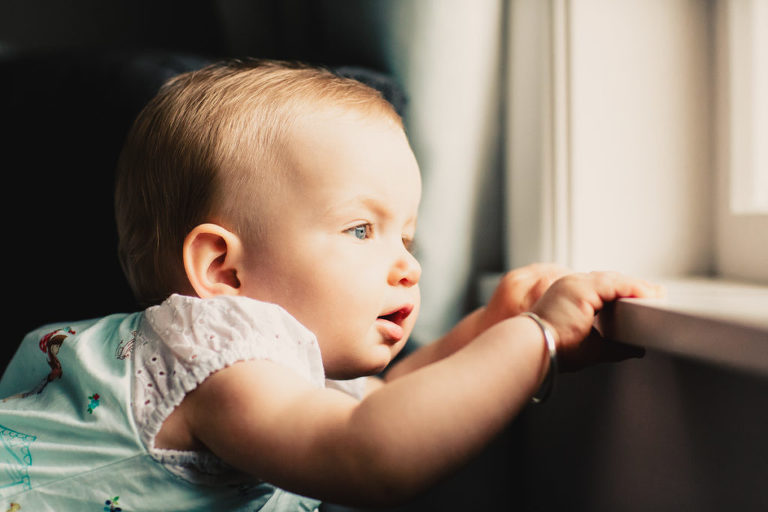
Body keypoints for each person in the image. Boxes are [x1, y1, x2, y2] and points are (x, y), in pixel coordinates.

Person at [0, 59, 662, 511]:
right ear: (224, 270)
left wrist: (491, 325)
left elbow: (390, 401)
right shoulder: (214, 359)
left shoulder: (276, 369)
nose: (408, 267)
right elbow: (371, 453)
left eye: (407, 238)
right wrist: (535, 338)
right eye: (361, 230)